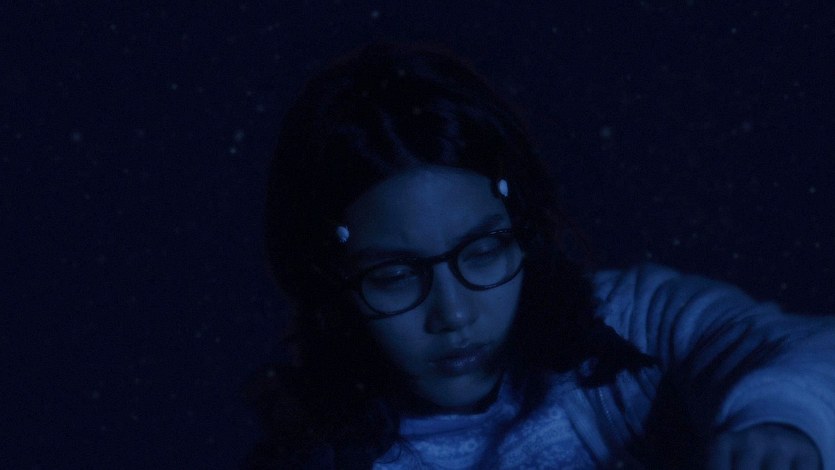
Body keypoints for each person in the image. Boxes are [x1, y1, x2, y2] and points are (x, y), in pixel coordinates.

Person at [246, 42, 835, 469]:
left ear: (523, 228)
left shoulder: (628, 327)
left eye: (483, 250)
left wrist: (783, 420)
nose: (453, 314)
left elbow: (797, 347)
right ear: (329, 284)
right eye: (395, 276)